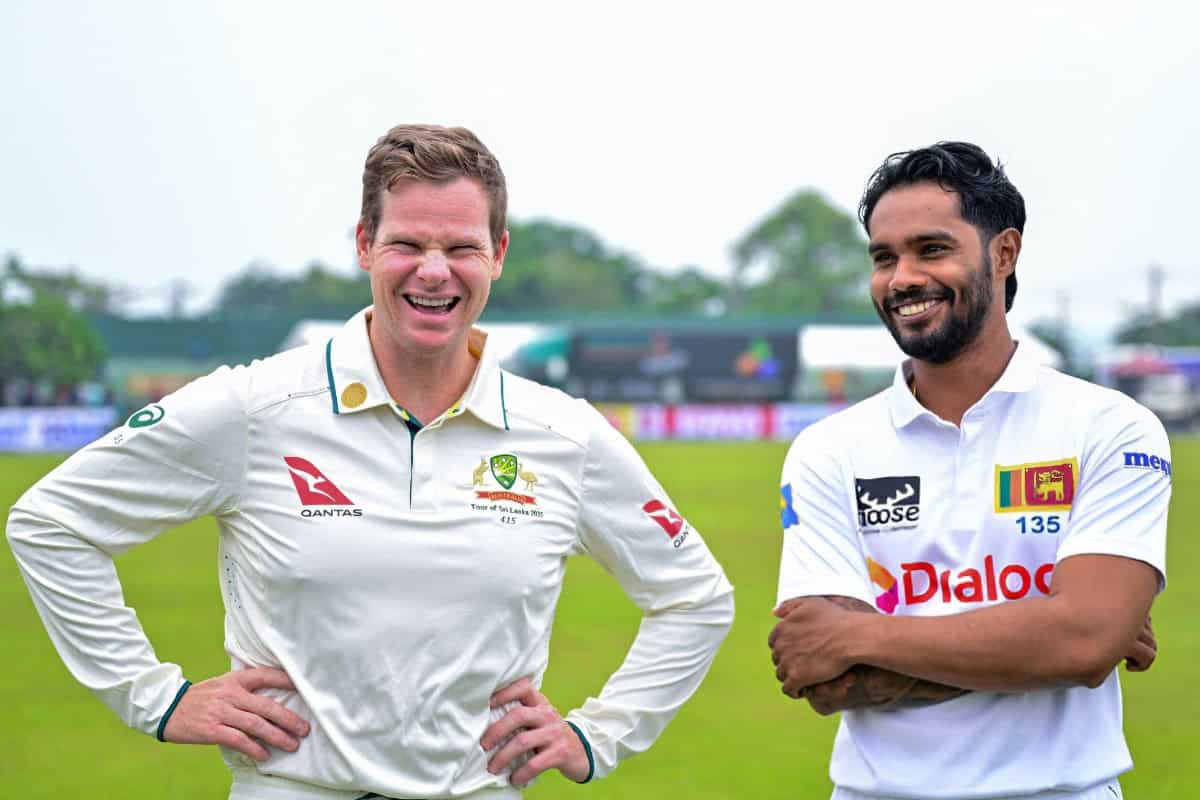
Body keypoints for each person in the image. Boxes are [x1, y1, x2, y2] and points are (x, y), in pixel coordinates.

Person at [7, 124, 734, 800]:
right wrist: (155, 698)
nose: (434, 272)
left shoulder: (563, 435)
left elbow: (694, 598)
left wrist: (594, 736)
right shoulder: (257, 406)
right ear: (363, 244)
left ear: (499, 255)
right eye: (408, 244)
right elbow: (52, 523)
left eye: (461, 248)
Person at [768, 141, 1167, 800]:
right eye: (883, 257)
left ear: (1003, 254)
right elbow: (825, 675)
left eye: (931, 249)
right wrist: (1052, 637)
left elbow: (1087, 642)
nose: (901, 278)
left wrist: (863, 635)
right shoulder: (829, 447)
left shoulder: (1109, 427)